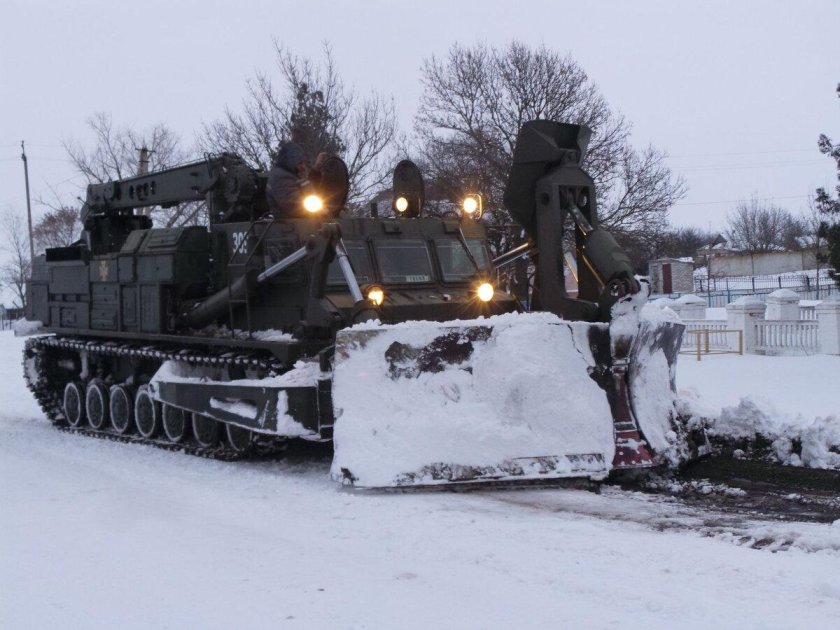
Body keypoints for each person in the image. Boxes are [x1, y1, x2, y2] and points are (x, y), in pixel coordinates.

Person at [265, 142, 311, 216]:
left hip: (299, 219)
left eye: (303, 163)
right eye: (300, 163)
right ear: (291, 161)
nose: (303, 166)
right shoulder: (280, 178)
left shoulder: (291, 174)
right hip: (288, 220)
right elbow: (294, 206)